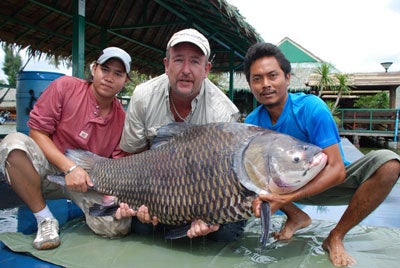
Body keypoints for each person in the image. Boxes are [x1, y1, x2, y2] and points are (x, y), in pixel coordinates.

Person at [242, 42, 400, 266]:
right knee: (241, 174)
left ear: (287, 78)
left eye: (272, 75)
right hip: (282, 186)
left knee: (389, 164)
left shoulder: (311, 108)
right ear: (250, 84)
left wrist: (286, 198)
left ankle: (336, 236)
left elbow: (336, 170)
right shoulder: (252, 123)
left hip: (328, 182)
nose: (265, 84)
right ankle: (296, 216)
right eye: (257, 79)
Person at [0, 47, 134, 250]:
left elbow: (117, 164)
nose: (109, 77)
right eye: (105, 69)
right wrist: (70, 168)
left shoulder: (123, 120)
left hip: (89, 183)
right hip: (48, 170)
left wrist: (113, 198)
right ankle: (44, 219)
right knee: (13, 145)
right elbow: (37, 132)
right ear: (94, 69)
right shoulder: (64, 86)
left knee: (118, 226)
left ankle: (91, 211)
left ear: (126, 81)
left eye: (118, 74)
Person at [118, 28, 245, 242]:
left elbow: (226, 179)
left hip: (205, 191)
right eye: (178, 60)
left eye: (195, 62)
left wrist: (209, 215)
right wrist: (141, 198)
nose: (186, 70)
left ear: (206, 69)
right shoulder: (142, 96)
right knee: (141, 227)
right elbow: (133, 157)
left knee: (225, 232)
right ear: (167, 65)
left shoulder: (223, 111)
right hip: (153, 185)